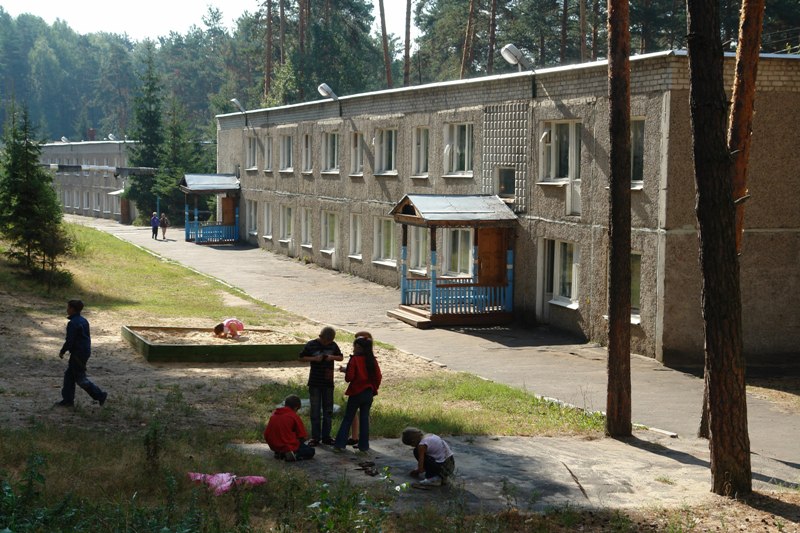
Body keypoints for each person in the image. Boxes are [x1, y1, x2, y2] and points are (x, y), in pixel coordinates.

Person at [333, 335, 382, 453]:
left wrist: (346, 371)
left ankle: (340, 445)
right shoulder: (372, 360)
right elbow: (378, 376)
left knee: (348, 418)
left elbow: (349, 378)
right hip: (368, 392)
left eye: (355, 347)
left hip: (356, 392)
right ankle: (363, 447)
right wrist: (373, 388)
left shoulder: (354, 359)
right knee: (364, 419)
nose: (353, 349)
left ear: (359, 348)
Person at [56, 300, 107, 408]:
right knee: (69, 376)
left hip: (77, 353)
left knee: (80, 379)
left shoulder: (73, 323)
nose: (67, 309)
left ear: (72, 309)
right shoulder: (84, 321)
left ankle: (100, 395)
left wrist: (62, 351)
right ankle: (68, 400)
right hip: (84, 351)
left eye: (68, 307)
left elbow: (70, 341)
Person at [299, 326, 343, 446]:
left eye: (329, 342)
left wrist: (332, 357)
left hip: (328, 383)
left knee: (328, 410)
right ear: (320, 337)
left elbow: (340, 357)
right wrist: (314, 359)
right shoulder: (311, 344)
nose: (327, 343)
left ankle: (326, 437)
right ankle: (315, 437)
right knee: (315, 410)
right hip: (315, 382)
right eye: (325, 341)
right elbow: (301, 357)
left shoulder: (333, 345)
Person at [263, 395, 315, 461]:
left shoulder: (275, 414)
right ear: (296, 408)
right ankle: (294, 455)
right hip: (287, 446)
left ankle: (280, 453)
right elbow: (303, 437)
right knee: (311, 451)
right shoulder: (293, 416)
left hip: (273, 445)